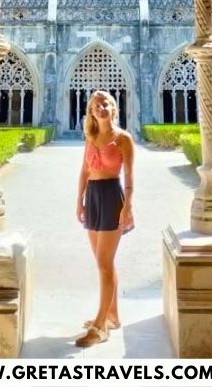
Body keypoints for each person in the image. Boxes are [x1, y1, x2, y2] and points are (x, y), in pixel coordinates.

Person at [75, 90, 135, 348]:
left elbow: (130, 178)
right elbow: (85, 171)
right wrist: (79, 201)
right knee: (105, 264)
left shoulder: (123, 139)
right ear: (91, 111)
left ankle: (100, 326)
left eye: (106, 103)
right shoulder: (90, 137)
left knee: (104, 263)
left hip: (112, 197)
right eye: (96, 104)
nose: (101, 106)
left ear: (114, 109)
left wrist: (128, 207)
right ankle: (113, 316)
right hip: (94, 199)